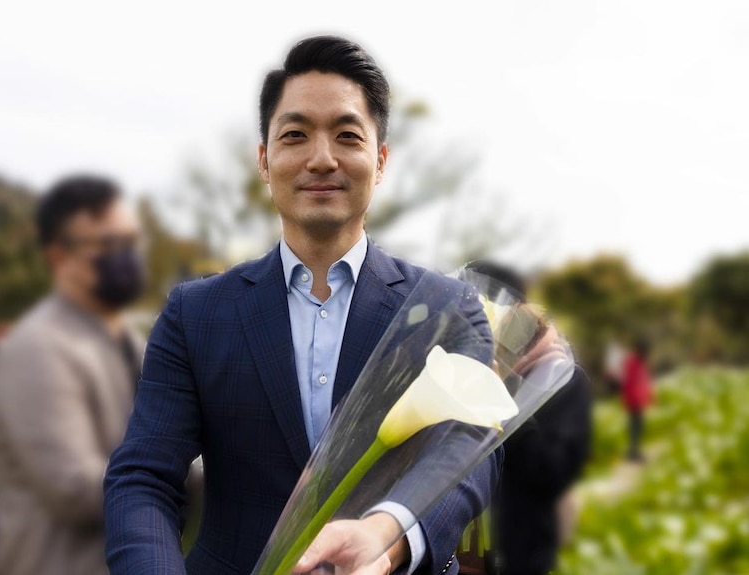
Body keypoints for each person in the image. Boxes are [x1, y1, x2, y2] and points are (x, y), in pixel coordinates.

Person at [104, 35, 501, 575]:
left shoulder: (446, 308)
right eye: (295, 136)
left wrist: (386, 538)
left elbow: (470, 452)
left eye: (346, 135)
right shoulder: (195, 313)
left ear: (379, 161)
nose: (321, 158)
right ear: (265, 162)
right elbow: (143, 477)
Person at [0, 175, 147, 575]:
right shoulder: (38, 347)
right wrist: (202, 473)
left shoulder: (130, 339)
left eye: (130, 243)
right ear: (58, 256)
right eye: (107, 245)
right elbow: (76, 492)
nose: (124, 256)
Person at [457, 260, 593, 575]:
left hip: (517, 556)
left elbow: (552, 470)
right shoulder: (456, 368)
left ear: (518, 311)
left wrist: (499, 398)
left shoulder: (561, 379)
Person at [621, 337, 653, 462]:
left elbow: (645, 381)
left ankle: (634, 451)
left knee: (638, 427)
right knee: (635, 427)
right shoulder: (632, 362)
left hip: (639, 400)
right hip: (634, 401)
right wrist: (632, 400)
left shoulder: (641, 362)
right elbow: (629, 383)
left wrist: (648, 397)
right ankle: (633, 453)